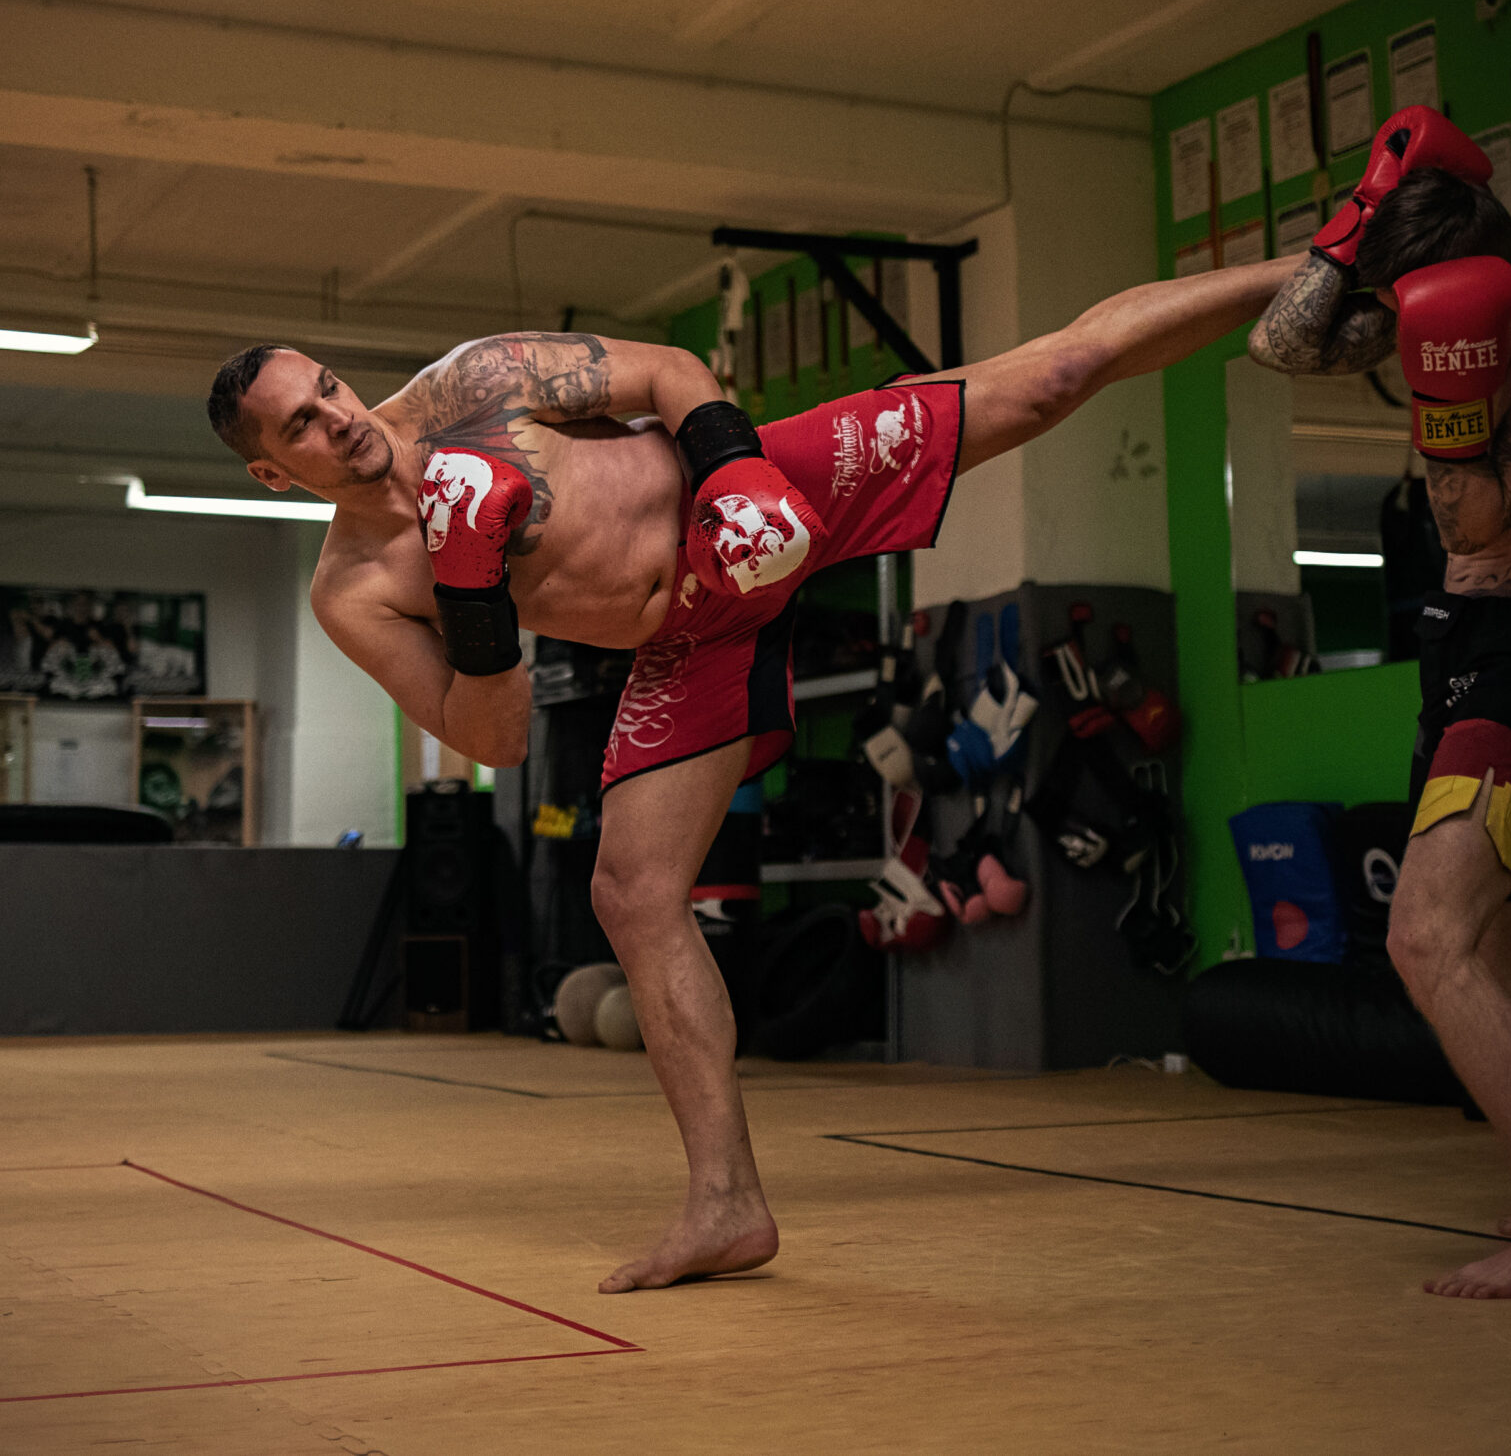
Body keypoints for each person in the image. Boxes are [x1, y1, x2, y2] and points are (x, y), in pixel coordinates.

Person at [206, 257, 1295, 1292]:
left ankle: (1314, 265)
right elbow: (488, 739)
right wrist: (477, 605)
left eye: (330, 386)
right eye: (301, 421)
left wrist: (732, 472)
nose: (340, 415)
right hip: (686, 639)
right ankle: (726, 1203)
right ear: (269, 469)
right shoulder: (353, 592)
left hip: (742, 502)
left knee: (1046, 378)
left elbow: (669, 374)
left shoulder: (471, 385)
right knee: (629, 891)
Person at [1248, 106, 1511, 1299]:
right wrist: (1352, 228)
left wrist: (1447, 386)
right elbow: (1282, 347)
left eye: (1410, 301)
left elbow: (1473, 521)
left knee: (1424, 934)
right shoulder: (1429, 306)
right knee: (1489, 946)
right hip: (1455, 651)